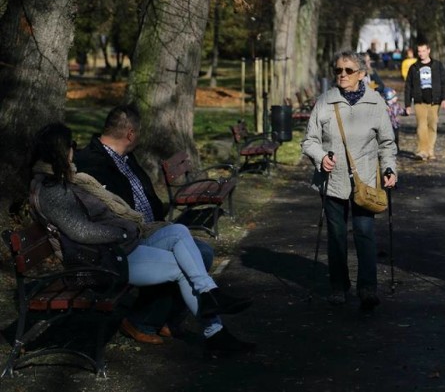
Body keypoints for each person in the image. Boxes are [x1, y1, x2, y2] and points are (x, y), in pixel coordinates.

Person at [30, 123, 255, 357]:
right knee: (183, 267)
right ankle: (214, 331)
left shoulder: (63, 180)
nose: (74, 150)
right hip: (104, 260)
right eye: (71, 145)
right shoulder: (51, 189)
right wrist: (122, 232)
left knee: (178, 232)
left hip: (119, 247)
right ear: (59, 151)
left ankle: (209, 294)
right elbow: (81, 232)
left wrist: (124, 230)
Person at [301, 50, 397, 310]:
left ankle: (367, 288)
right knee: (336, 236)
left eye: (348, 71)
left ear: (361, 74)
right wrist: (321, 157)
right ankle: (338, 286)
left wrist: (389, 170)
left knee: (365, 234)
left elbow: (387, 144)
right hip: (332, 180)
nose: (342, 75)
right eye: (338, 70)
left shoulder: (376, 104)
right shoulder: (325, 101)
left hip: (365, 180)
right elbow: (309, 140)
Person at [404, 40, 445, 161]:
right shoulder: (414, 67)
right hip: (419, 100)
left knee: (432, 125)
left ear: (428, 50)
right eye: (419, 51)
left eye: (423, 50)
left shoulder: (437, 65)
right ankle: (422, 151)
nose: (421, 53)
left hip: (435, 100)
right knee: (421, 125)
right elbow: (408, 86)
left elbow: (444, 82)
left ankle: (430, 150)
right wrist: (407, 104)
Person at [383, 87, 403, 151]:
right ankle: (388, 148)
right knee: (388, 137)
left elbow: (401, 111)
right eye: (394, 97)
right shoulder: (385, 106)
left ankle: (396, 147)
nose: (396, 98)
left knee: (396, 137)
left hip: (395, 125)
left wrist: (406, 112)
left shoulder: (396, 105)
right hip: (388, 125)